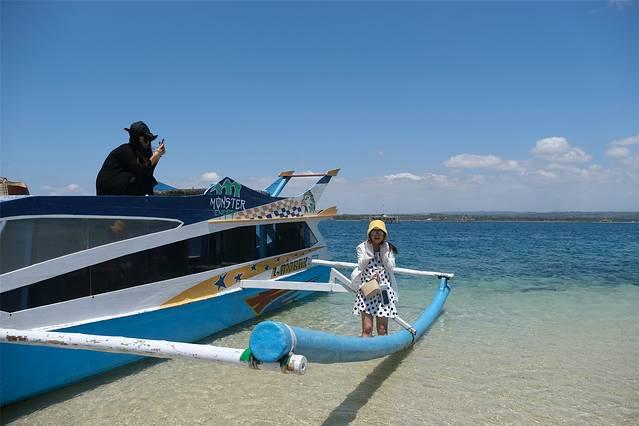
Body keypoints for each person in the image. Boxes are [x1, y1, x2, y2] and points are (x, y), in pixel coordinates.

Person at [352, 220, 398, 337]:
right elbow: (361, 265)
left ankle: (383, 353)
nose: (377, 234)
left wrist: (383, 252)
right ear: (369, 234)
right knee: (367, 329)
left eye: (380, 232)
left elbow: (391, 268)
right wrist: (369, 251)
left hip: (384, 291)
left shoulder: (388, 248)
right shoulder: (362, 247)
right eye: (374, 232)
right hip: (368, 289)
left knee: (382, 330)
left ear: (384, 235)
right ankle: (364, 352)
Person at [96, 121, 166, 195]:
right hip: (109, 192)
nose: (148, 143)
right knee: (145, 180)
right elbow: (142, 171)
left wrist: (158, 156)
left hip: (116, 190)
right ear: (139, 139)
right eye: (146, 139)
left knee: (147, 179)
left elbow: (147, 172)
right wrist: (155, 155)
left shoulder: (136, 152)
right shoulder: (126, 150)